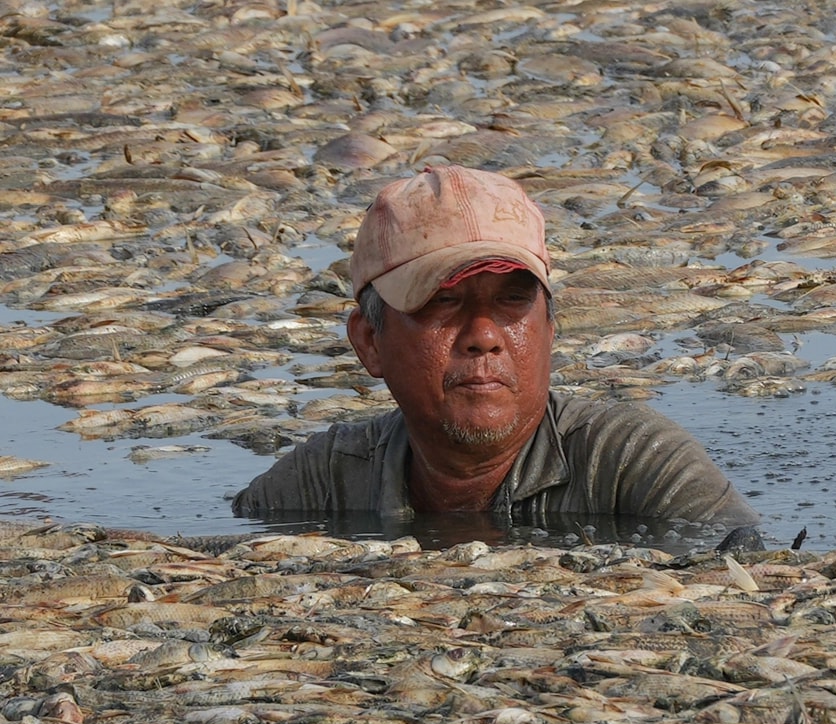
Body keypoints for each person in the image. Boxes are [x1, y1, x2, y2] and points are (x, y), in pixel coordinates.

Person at [232, 164, 760, 541]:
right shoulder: (317, 483)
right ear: (370, 342)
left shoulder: (635, 465)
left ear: (551, 327)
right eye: (444, 303)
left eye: (513, 301)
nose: (484, 335)